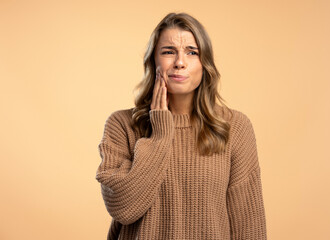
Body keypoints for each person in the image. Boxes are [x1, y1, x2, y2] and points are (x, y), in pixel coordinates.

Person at [95, 12, 267, 240]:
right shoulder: (122, 125)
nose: (179, 62)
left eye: (192, 52)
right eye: (168, 52)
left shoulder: (235, 127)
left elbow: (248, 225)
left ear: (204, 64)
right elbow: (124, 208)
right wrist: (160, 135)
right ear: (153, 61)